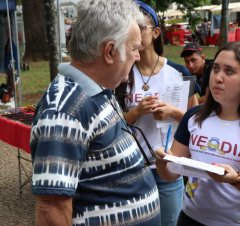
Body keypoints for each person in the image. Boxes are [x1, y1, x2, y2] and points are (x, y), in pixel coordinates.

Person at [30, 0, 161, 225]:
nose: (138, 56)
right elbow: (52, 209)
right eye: (134, 49)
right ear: (109, 51)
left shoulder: (98, 92)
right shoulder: (65, 110)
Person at [155, 41, 240, 226]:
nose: (218, 77)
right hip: (190, 219)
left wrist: (236, 181)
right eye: (216, 69)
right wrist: (163, 163)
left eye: (229, 71)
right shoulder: (194, 117)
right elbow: (171, 174)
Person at [115, 2, 198, 226]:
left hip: (168, 167)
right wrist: (137, 112)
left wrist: (172, 112)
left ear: (156, 32)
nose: (134, 30)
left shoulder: (178, 73)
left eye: (140, 26)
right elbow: (112, 123)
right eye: (129, 25)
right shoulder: (121, 74)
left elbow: (199, 123)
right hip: (131, 169)